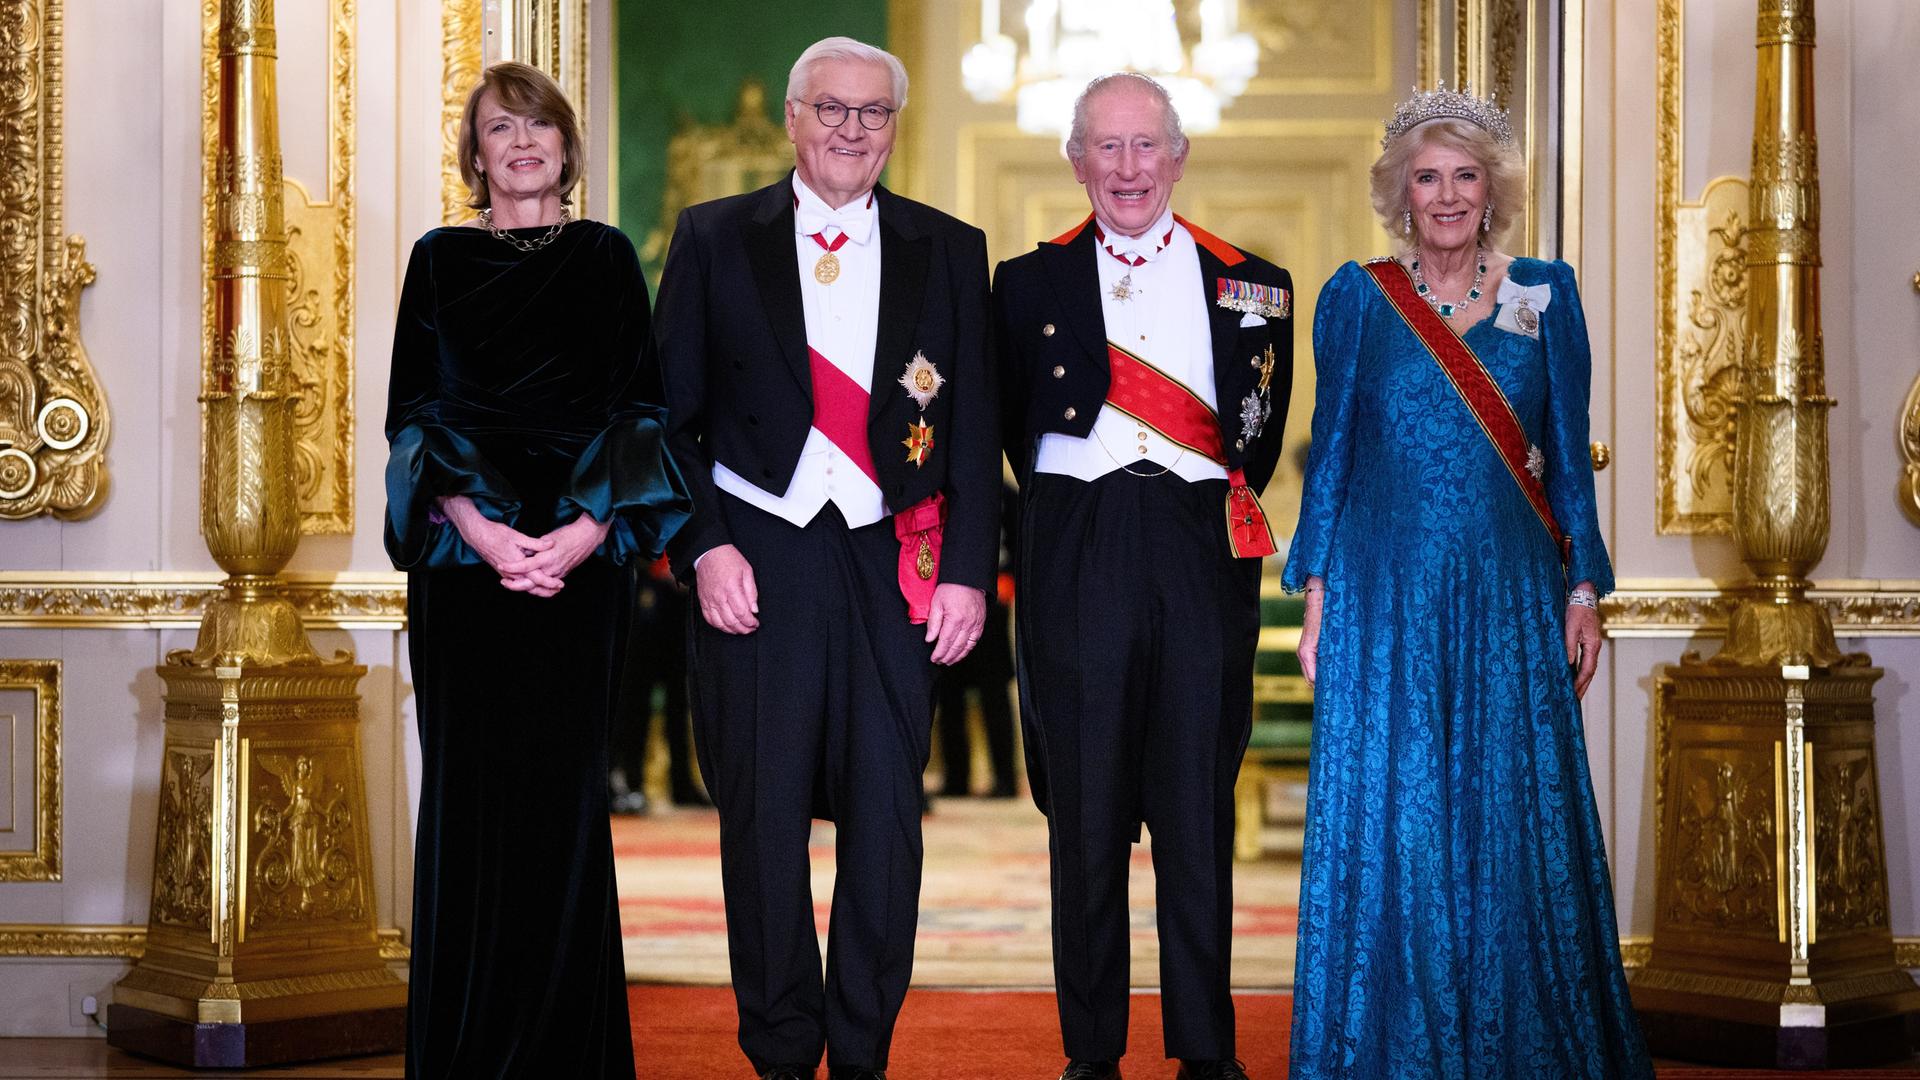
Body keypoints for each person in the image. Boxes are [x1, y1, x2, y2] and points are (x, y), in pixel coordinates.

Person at [1283, 87, 1653, 1079]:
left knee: (1505, 815)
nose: (1446, 196)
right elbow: (1337, 453)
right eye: (1426, 176)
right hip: (1382, 594)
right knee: (1393, 813)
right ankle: (1388, 1045)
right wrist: (1315, 596)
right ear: (1401, 193)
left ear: (1494, 192)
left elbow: (1567, 455)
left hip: (1507, 595)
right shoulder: (1357, 298)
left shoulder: (1546, 292)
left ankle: (1519, 1044)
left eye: (1465, 175)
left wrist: (1585, 591)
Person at [653, 36, 999, 1080]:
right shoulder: (715, 236)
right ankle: (780, 1047)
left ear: (895, 125)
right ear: (797, 116)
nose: (852, 130)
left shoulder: (950, 245)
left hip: (899, 559)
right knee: (761, 817)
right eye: (833, 110)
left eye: (874, 113)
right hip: (759, 554)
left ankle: (860, 1050)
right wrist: (702, 548)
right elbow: (667, 423)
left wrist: (973, 572)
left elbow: (974, 428)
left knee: (889, 819)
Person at [383, 61, 690, 1079]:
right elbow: (416, 422)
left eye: (539, 126)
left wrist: (579, 534)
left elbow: (640, 413)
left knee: (563, 810)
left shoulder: (604, 258)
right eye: (500, 129)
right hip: (466, 575)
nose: (521, 143)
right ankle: (465, 1054)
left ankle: (568, 1056)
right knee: (470, 806)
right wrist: (482, 534)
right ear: (475, 154)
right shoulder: (437, 260)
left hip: (579, 572)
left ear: (565, 145)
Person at [993, 72, 1293, 1080]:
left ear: (1179, 155)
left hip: (1199, 544)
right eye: (1106, 148)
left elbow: (1258, 428)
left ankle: (1209, 1054)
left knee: (1199, 807)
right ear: (1075, 159)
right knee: (1083, 812)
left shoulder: (1256, 283)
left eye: (1145, 146)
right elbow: (1008, 428)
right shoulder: (1025, 284)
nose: (1128, 169)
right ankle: (1093, 1056)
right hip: (1075, 540)